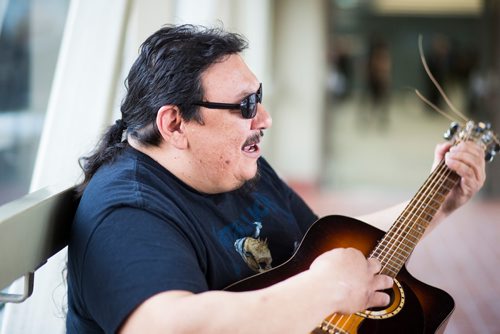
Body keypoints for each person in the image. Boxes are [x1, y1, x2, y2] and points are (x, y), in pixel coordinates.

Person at [66, 24, 486, 334]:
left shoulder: (239, 166)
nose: (264, 118)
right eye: (246, 105)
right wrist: (321, 292)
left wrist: (439, 206)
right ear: (175, 124)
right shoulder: (126, 211)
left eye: (259, 98)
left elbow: (333, 251)